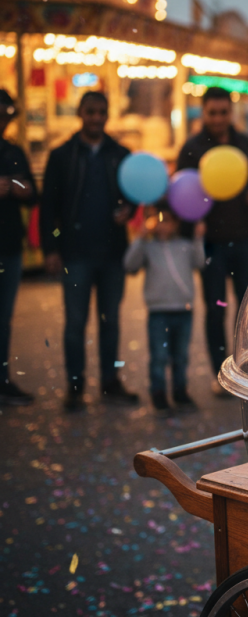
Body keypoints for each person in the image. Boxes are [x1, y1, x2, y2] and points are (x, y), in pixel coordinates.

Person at [39, 91, 139, 411]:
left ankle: (110, 383)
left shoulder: (121, 154)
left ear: (107, 115)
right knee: (75, 322)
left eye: (101, 112)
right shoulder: (61, 156)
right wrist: (51, 248)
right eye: (91, 112)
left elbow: (134, 192)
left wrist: (130, 209)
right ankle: (75, 386)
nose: (96, 117)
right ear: (80, 113)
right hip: (75, 254)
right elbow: (48, 208)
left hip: (112, 254)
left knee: (110, 323)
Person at [176, 87, 248, 395]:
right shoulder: (192, 148)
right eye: (212, 112)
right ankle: (219, 374)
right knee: (215, 309)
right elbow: (180, 192)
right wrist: (191, 222)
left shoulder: (243, 143)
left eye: (223, 112)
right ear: (203, 113)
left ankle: (247, 367)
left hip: (242, 238)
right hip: (209, 243)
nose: (218, 118)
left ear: (231, 112)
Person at [124, 204, 205, 414]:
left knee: (181, 355)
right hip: (158, 311)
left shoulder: (185, 245)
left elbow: (200, 262)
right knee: (159, 355)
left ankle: (180, 391)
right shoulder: (148, 248)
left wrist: (198, 239)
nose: (163, 225)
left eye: (167, 220)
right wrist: (140, 238)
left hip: (183, 309)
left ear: (176, 224)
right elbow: (130, 265)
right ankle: (158, 393)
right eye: (158, 220)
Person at [0, 90, 37, 406]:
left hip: (9, 244)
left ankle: (2, 377)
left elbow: (31, 189)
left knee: (4, 316)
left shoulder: (13, 151)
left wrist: (12, 186)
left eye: (5, 116)